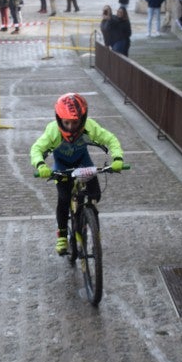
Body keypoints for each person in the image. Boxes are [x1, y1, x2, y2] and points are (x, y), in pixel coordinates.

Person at [30, 93, 124, 255]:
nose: (71, 127)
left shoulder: (90, 126)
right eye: (67, 123)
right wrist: (40, 165)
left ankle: (93, 229)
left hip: (83, 164)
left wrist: (117, 158)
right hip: (62, 167)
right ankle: (62, 235)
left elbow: (110, 139)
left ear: (83, 119)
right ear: (59, 120)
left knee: (95, 195)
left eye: (75, 122)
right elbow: (37, 149)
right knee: (64, 199)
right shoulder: (53, 130)